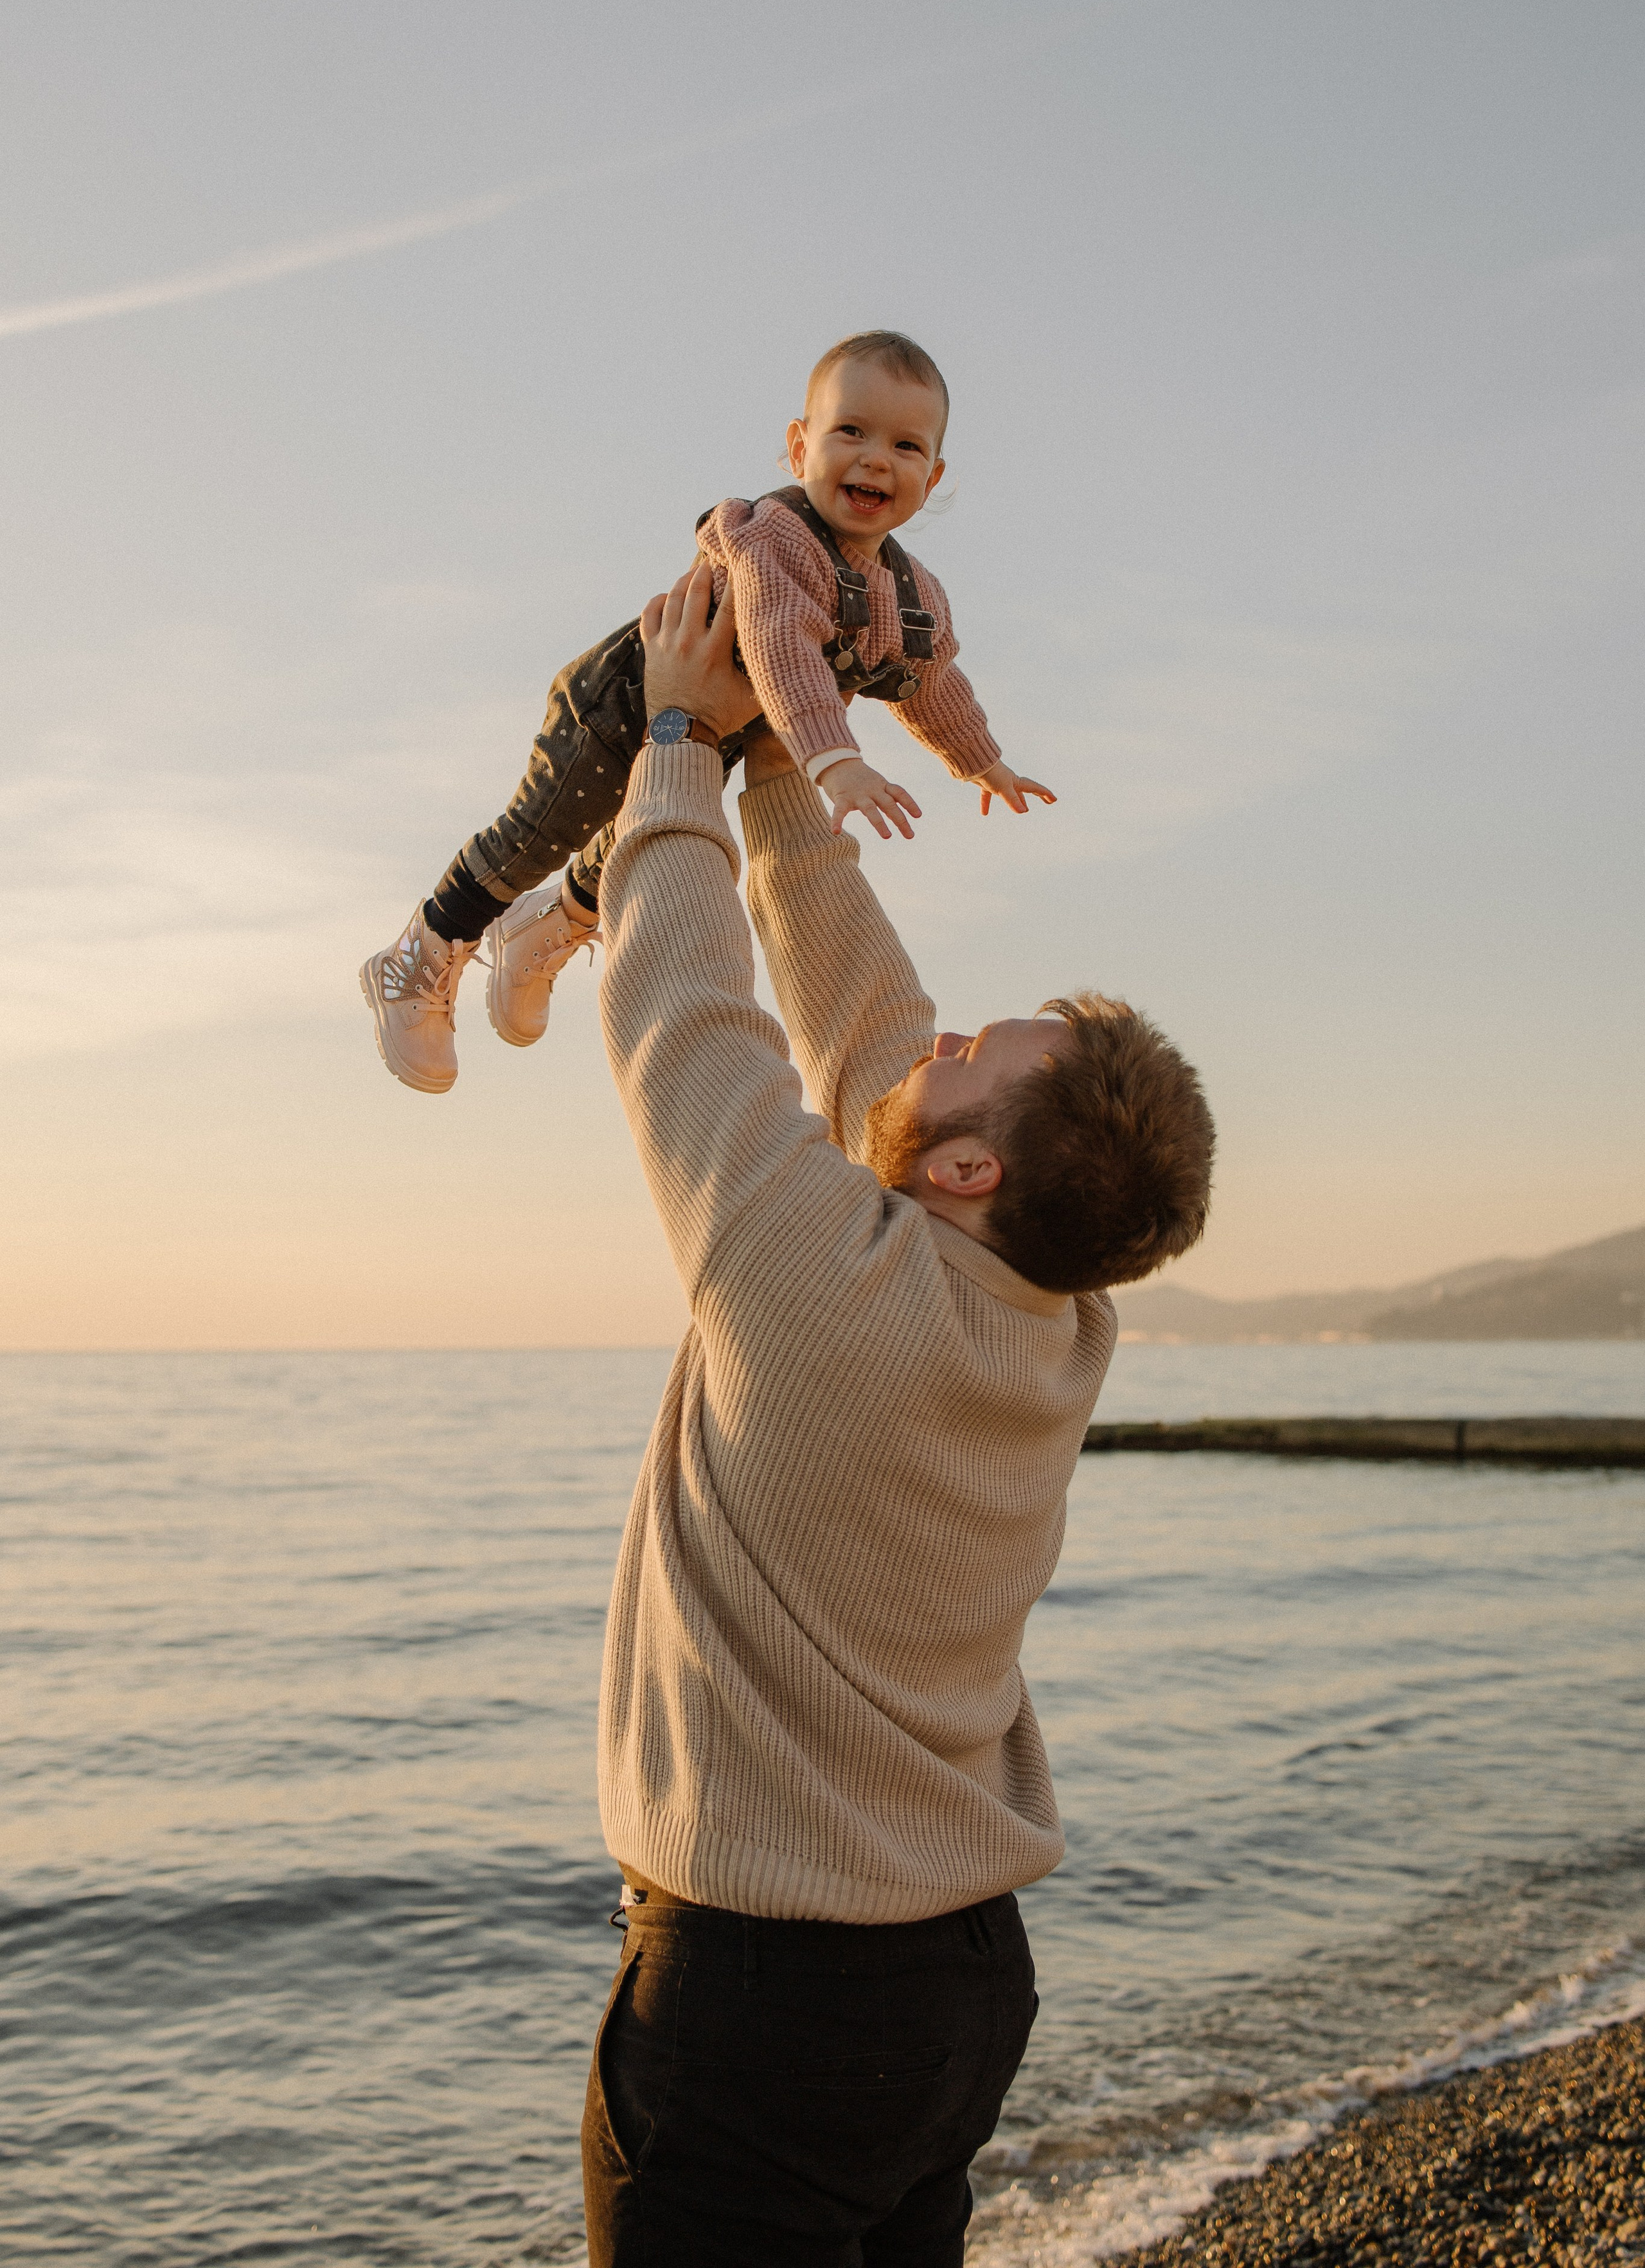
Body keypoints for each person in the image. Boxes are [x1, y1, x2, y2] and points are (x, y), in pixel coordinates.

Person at [580, 563, 1215, 2264]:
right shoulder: (1053, 1318)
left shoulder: (817, 1283)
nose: (935, 1029)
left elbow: (683, 1018)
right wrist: (783, 733)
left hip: (766, 2001)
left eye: (970, 1053)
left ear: (970, 1168)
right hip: (951, 1990)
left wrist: (664, 748)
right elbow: (863, 1020)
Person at [359, 330, 1054, 1093]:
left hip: (712, 729)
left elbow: (931, 681)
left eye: (906, 445)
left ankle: (546, 927)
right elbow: (781, 642)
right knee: (541, 831)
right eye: (849, 431)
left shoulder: (911, 596)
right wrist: (837, 760)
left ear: (934, 475)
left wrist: (980, 761)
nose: (876, 457)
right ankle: (417, 954)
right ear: (798, 449)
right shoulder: (772, 538)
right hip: (621, 703)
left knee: (638, 839)